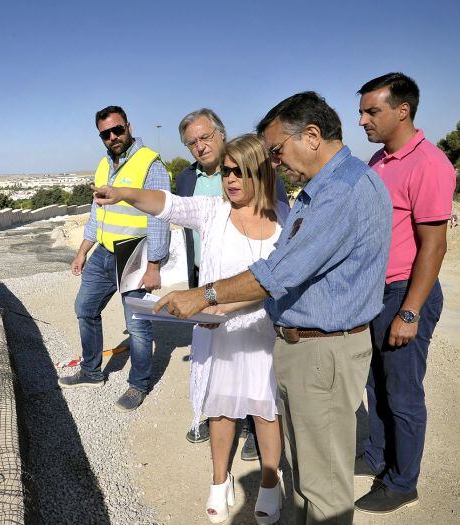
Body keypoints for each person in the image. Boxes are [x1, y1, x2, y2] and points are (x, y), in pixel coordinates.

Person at [153, 92, 392, 524]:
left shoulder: (338, 193)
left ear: (313, 136)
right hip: (312, 349)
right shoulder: (337, 184)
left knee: (322, 486)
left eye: (278, 150)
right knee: (305, 473)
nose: (277, 162)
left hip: (323, 352)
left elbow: (275, 274)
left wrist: (202, 296)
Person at [95, 134, 290, 524]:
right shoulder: (212, 211)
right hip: (217, 330)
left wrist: (213, 300)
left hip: (262, 330)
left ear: (260, 172)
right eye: (226, 172)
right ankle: (220, 479)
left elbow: (278, 280)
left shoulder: (285, 217)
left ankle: (272, 479)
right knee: (220, 408)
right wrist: (124, 192)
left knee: (267, 408)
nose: (230, 179)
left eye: (240, 171)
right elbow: (167, 205)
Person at [354, 73, 456, 514]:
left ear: (403, 110)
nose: (362, 120)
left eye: (371, 111)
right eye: (361, 111)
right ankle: (378, 456)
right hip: (378, 292)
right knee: (376, 384)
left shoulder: (430, 163)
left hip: (405, 292)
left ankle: (402, 481)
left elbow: (434, 244)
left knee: (403, 393)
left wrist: (410, 312)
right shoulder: (379, 160)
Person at [176, 109, 290, 460]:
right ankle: (221, 423)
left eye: (204, 137)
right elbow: (176, 214)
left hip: (252, 291)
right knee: (221, 363)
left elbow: (276, 228)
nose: (199, 146)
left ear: (221, 135)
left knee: (260, 374)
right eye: (192, 142)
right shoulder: (184, 179)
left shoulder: (257, 170)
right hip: (207, 276)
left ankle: (255, 432)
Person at [58, 105, 170, 412]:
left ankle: (138, 385)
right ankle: (92, 371)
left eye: (117, 130)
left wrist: (154, 265)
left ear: (129, 127)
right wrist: (83, 251)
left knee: (136, 325)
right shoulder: (103, 166)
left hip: (134, 251)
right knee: (85, 307)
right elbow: (98, 213)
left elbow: (160, 217)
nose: (113, 137)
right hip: (104, 252)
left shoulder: (151, 164)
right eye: (105, 133)